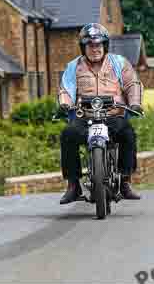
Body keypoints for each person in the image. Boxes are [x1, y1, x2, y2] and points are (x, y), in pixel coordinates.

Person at [57, 23, 144, 204]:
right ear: (83, 47)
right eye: (90, 45)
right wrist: (65, 105)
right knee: (68, 134)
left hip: (113, 115)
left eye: (98, 45)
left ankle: (125, 182)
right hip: (84, 116)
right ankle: (73, 185)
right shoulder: (74, 66)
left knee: (127, 133)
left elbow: (132, 84)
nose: (95, 49)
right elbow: (66, 89)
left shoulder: (119, 63)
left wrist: (135, 103)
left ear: (105, 45)